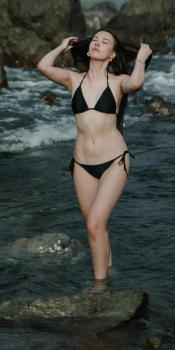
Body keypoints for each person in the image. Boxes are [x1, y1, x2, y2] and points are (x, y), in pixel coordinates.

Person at [37, 29, 152, 287]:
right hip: (82, 166)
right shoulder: (72, 80)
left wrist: (142, 59)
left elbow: (135, 83)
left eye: (105, 42)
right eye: (95, 41)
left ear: (111, 55)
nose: (98, 44)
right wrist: (62, 46)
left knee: (95, 224)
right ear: (89, 50)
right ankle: (109, 275)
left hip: (114, 162)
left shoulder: (118, 81)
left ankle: (99, 290)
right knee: (96, 228)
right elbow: (43, 65)